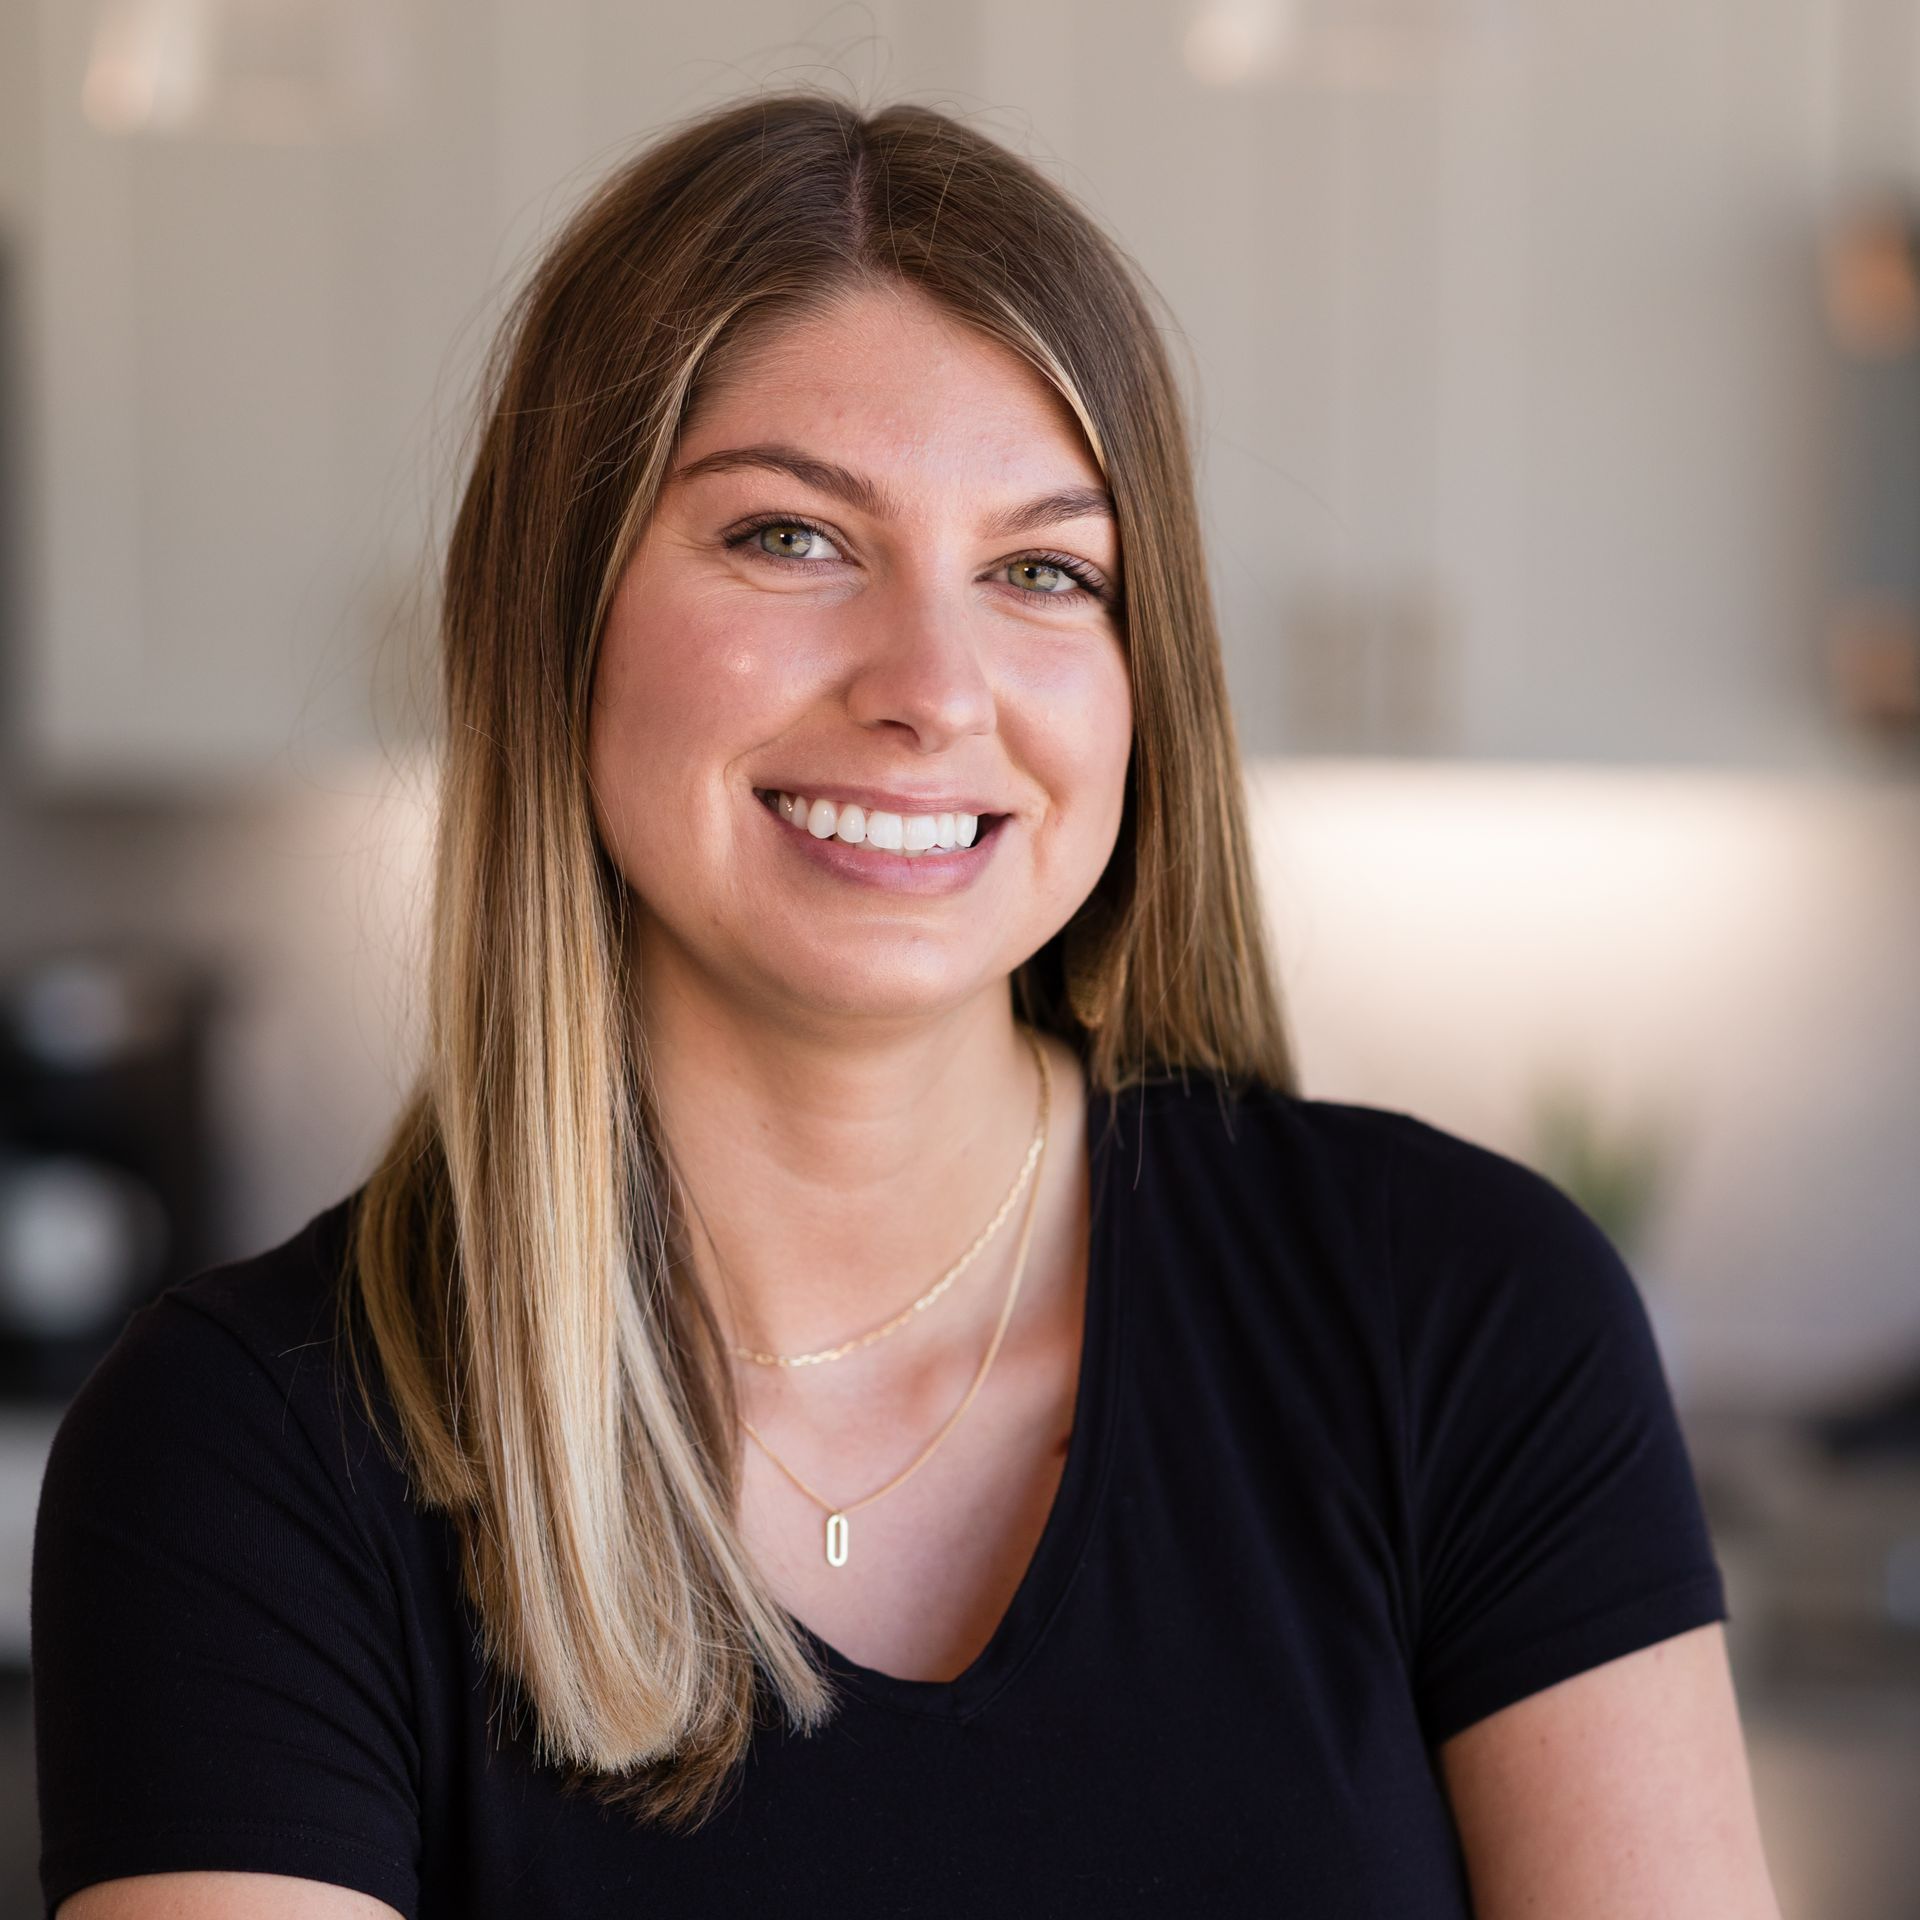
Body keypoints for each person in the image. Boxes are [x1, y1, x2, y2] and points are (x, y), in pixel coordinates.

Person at [31, 89, 1782, 1919]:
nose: (933, 686)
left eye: (1043, 571)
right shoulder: (248, 1457)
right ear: (554, 614)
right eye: (792, 537)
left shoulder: (1464, 1318)